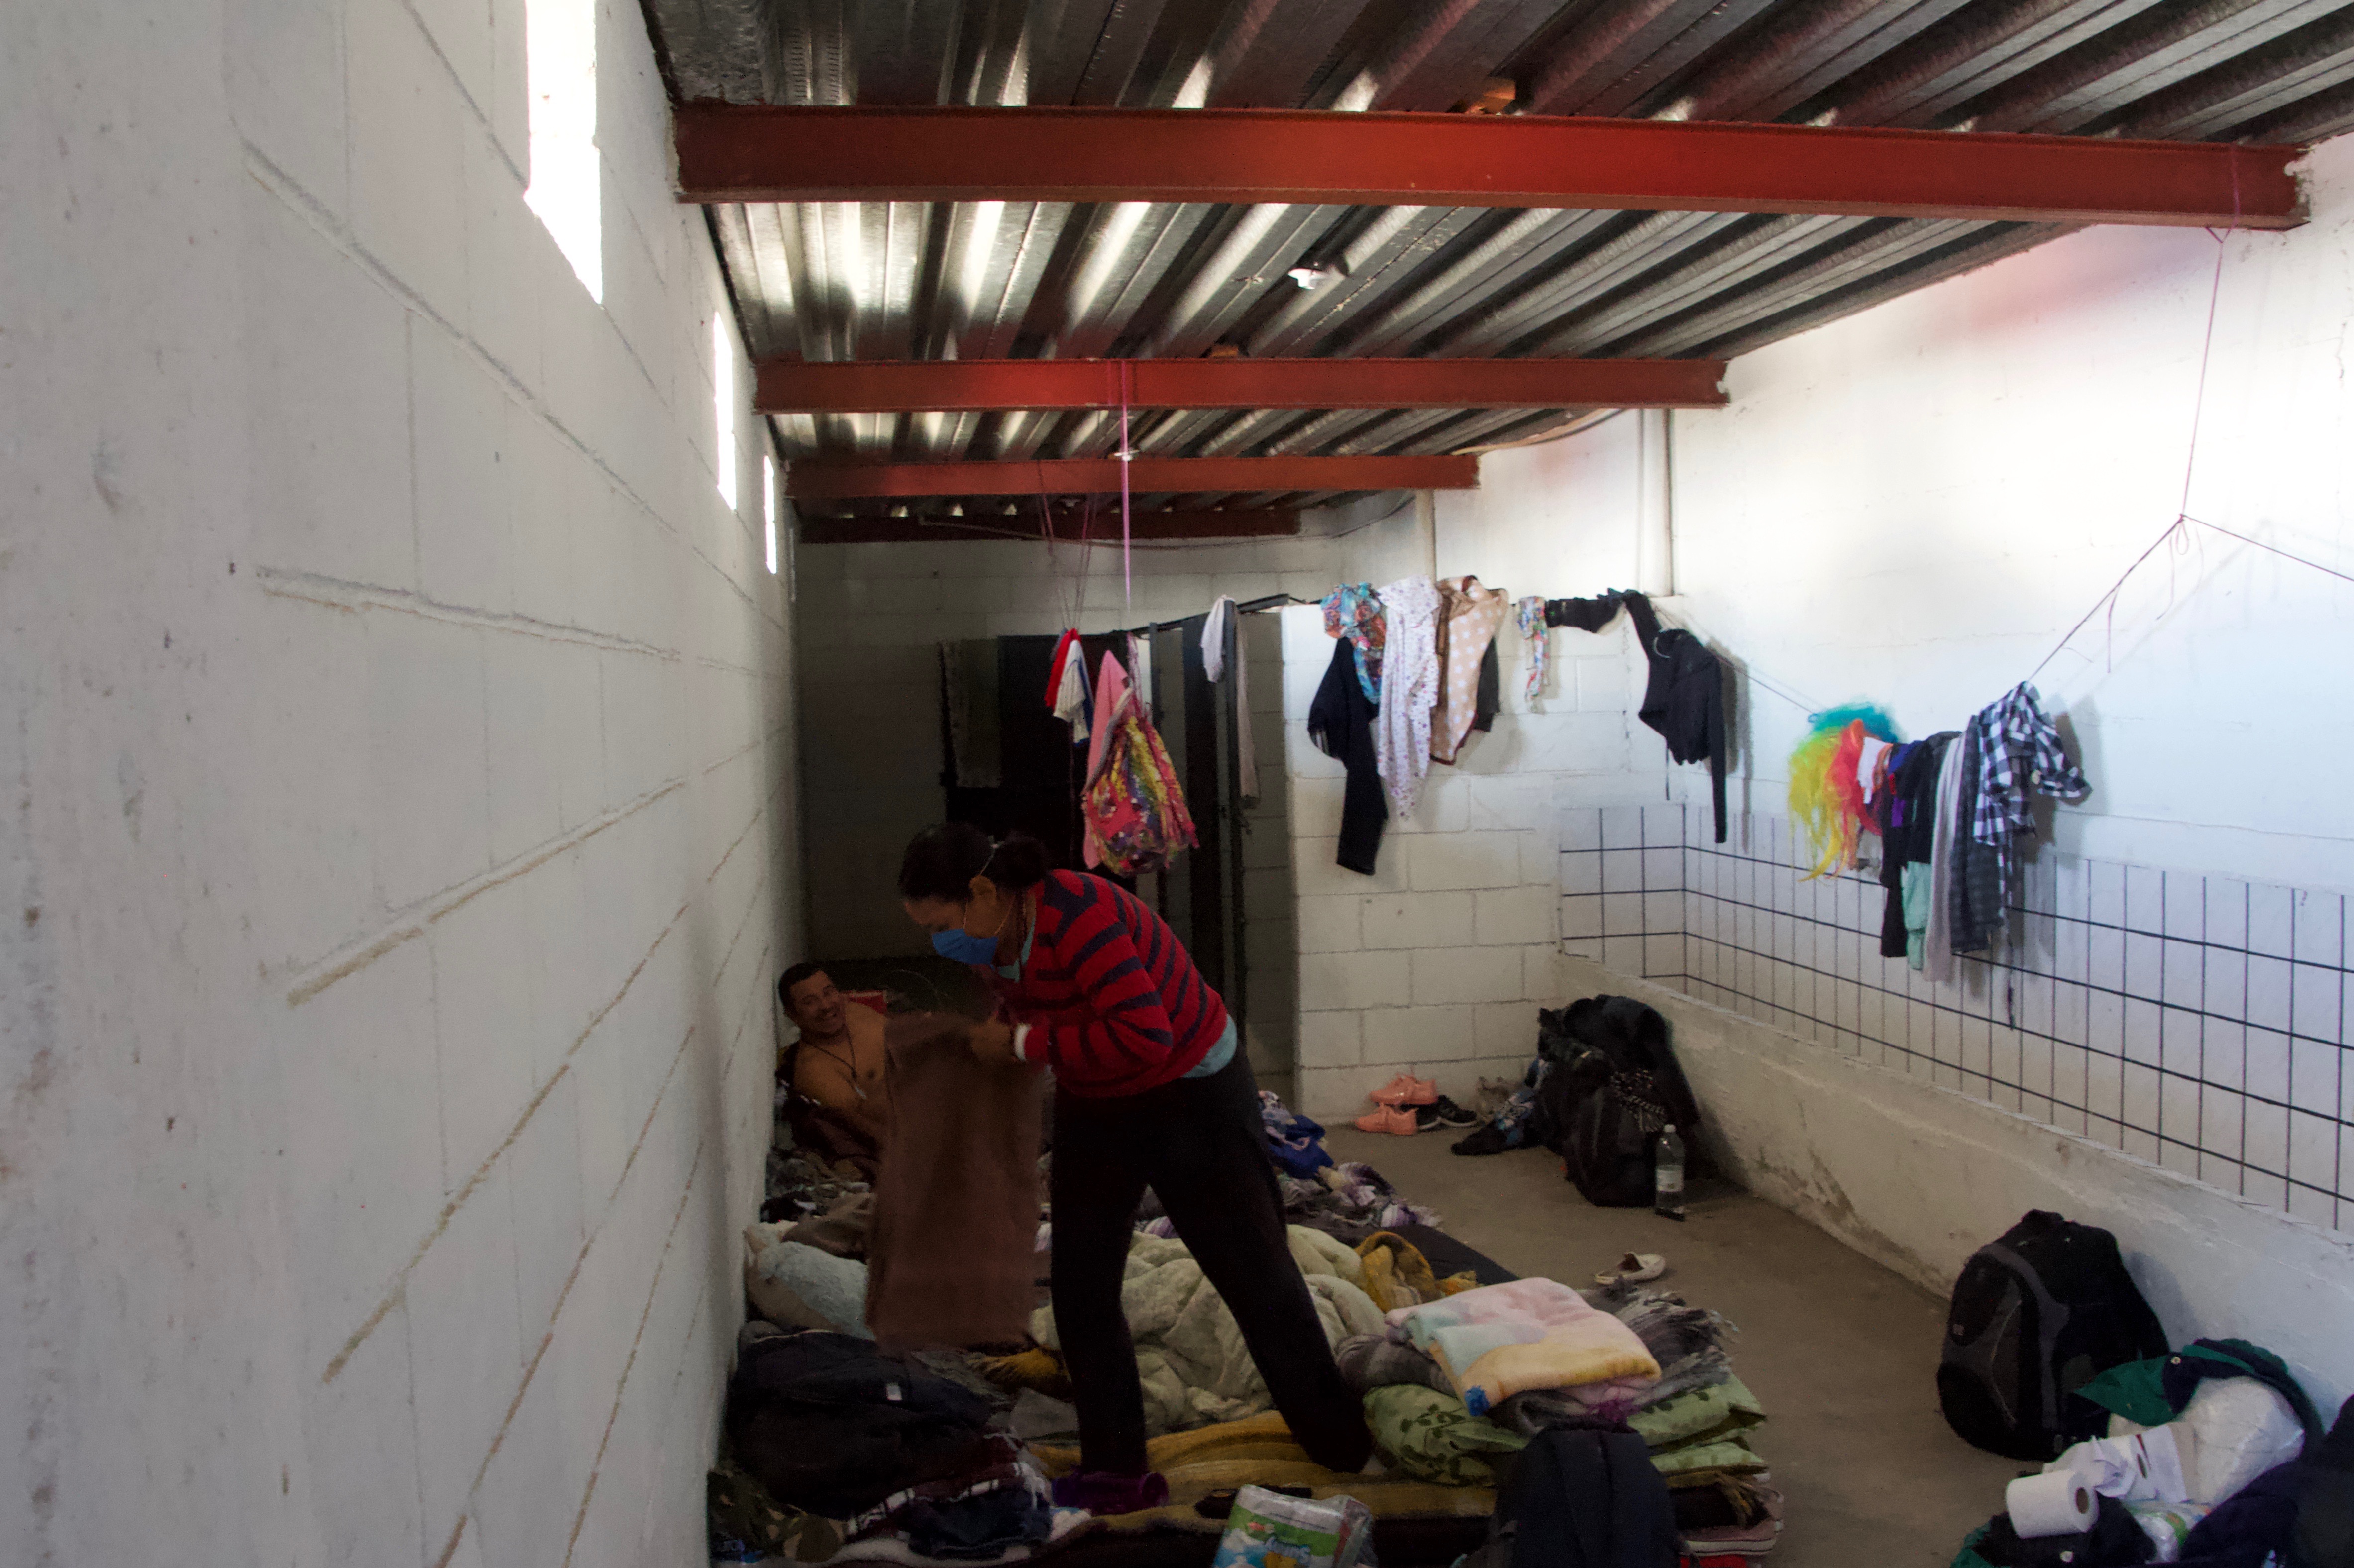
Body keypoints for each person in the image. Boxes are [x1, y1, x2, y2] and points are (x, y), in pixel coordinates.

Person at [897, 823, 1373, 1504]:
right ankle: (1118, 1468)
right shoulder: (990, 940)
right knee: (1082, 1287)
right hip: (1100, 1094)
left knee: (1252, 1271)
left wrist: (1026, 1042)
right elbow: (1029, 1016)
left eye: (941, 923)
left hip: (1190, 1087)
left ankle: (1340, 1444)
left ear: (982, 891)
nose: (939, 942)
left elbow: (1142, 1036)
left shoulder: (1080, 915)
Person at [777, 962, 889, 1177]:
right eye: (810, 1002)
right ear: (793, 1015)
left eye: (829, 993)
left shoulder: (858, 1014)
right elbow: (869, 1130)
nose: (827, 1006)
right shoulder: (815, 1071)